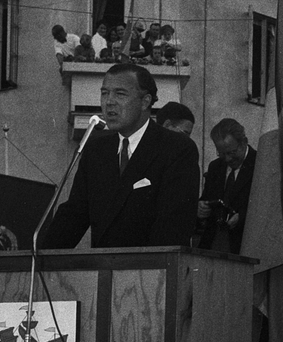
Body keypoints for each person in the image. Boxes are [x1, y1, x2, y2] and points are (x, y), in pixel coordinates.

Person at [42, 63, 199, 249]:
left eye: (120, 94)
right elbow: (73, 216)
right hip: (103, 265)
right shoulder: (95, 152)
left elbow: (174, 226)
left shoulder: (177, 149)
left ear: (145, 101)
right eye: (104, 93)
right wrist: (37, 257)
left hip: (150, 265)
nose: (109, 101)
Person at [197, 118, 256, 255]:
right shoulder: (215, 167)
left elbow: (268, 206)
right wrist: (201, 207)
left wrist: (242, 217)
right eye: (222, 153)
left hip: (245, 246)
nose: (228, 159)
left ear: (244, 142)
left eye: (232, 152)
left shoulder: (260, 164)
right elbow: (207, 198)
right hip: (214, 243)